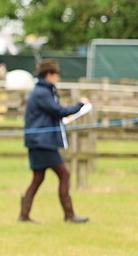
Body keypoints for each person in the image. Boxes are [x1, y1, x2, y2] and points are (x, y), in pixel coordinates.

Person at [20, 59, 91, 223]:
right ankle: (69, 215)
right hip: (42, 142)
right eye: (56, 75)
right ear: (49, 75)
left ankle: (24, 215)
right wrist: (80, 105)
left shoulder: (44, 91)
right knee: (64, 174)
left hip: (39, 141)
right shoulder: (42, 93)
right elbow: (59, 111)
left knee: (38, 178)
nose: (58, 78)